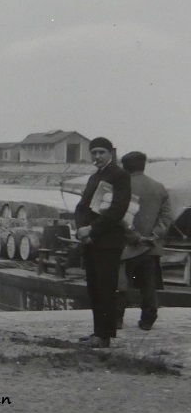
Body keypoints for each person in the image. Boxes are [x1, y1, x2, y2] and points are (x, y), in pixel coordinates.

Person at [74, 137, 131, 348]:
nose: (97, 156)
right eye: (94, 152)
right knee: (94, 289)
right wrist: (82, 230)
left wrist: (92, 229)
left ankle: (104, 336)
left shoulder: (120, 176)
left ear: (110, 153)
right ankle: (98, 332)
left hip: (108, 242)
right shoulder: (94, 177)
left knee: (105, 288)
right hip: (90, 240)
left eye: (101, 152)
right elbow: (81, 207)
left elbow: (118, 209)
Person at [115, 151, 172, 331]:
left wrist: (135, 236)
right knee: (148, 285)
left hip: (125, 246)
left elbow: (119, 217)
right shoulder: (159, 187)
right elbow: (166, 218)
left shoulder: (121, 186)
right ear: (144, 165)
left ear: (124, 166)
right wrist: (153, 236)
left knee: (121, 284)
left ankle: (116, 320)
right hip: (150, 247)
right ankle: (148, 320)